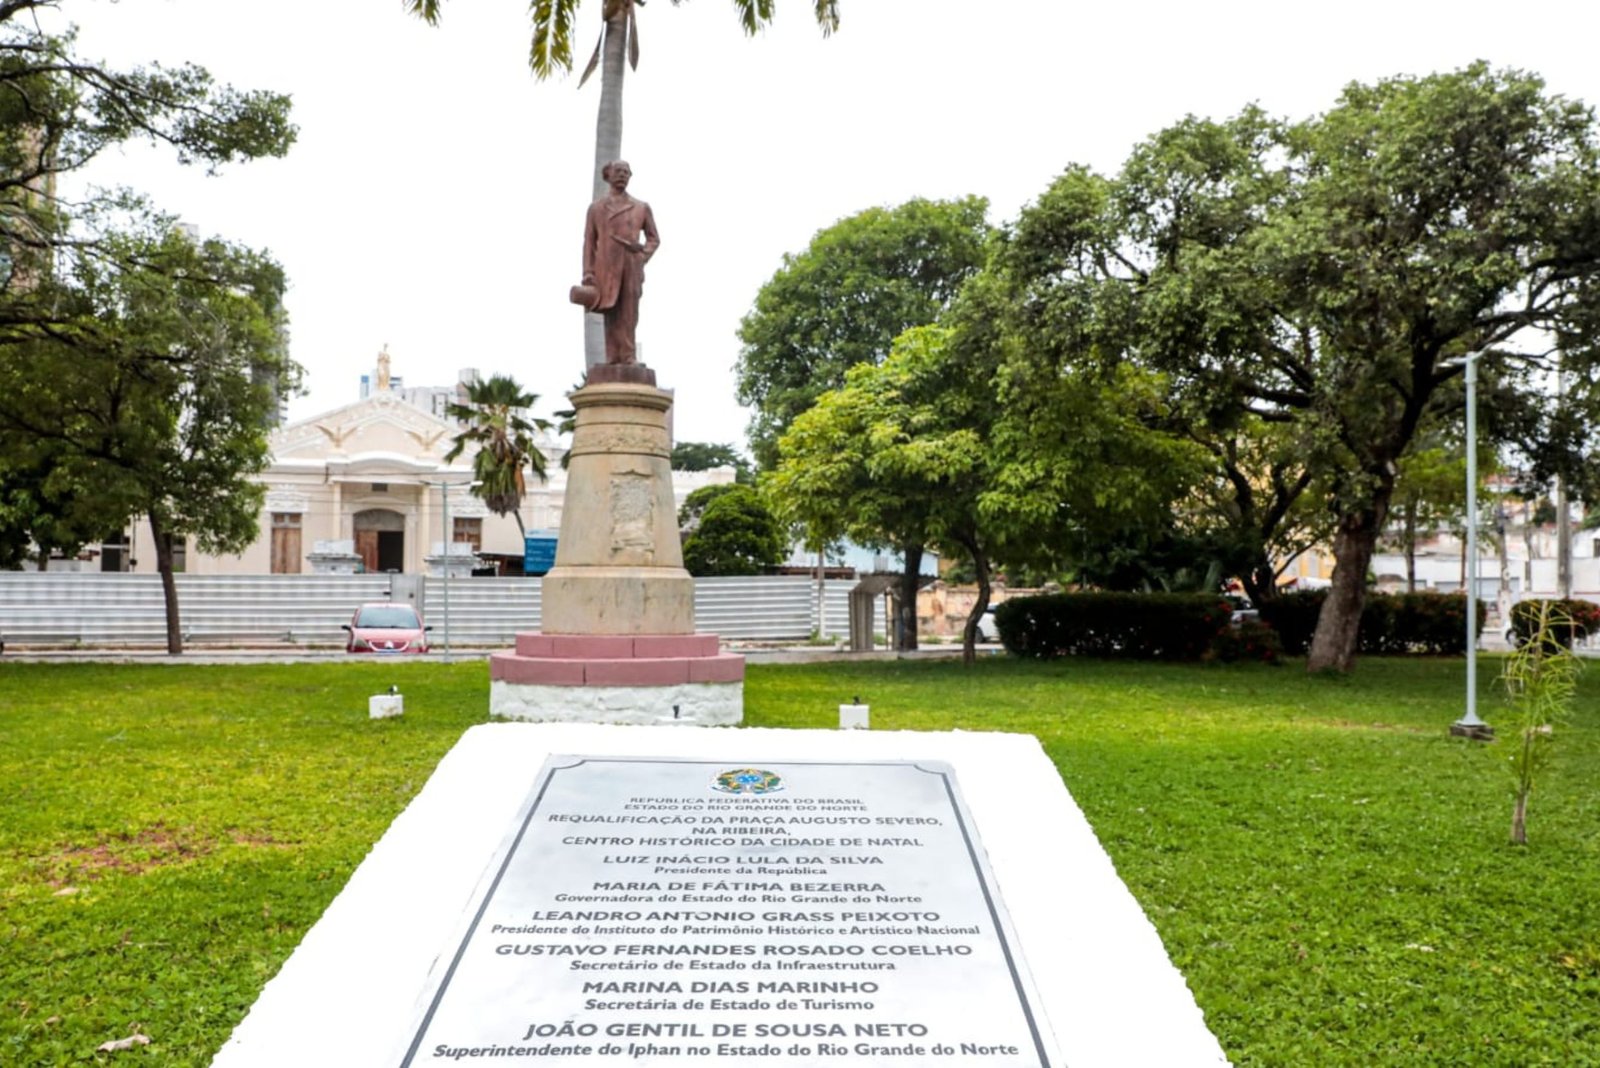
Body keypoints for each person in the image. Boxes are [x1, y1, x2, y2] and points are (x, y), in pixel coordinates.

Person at [580, 160, 660, 363]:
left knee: (629, 312)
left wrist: (642, 257)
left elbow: (654, 238)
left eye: (626, 172)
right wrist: (588, 273)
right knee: (611, 310)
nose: (623, 175)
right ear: (608, 176)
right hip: (606, 267)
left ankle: (628, 355)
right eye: (618, 171)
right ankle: (612, 356)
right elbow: (589, 243)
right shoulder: (596, 209)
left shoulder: (641, 207)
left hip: (631, 265)